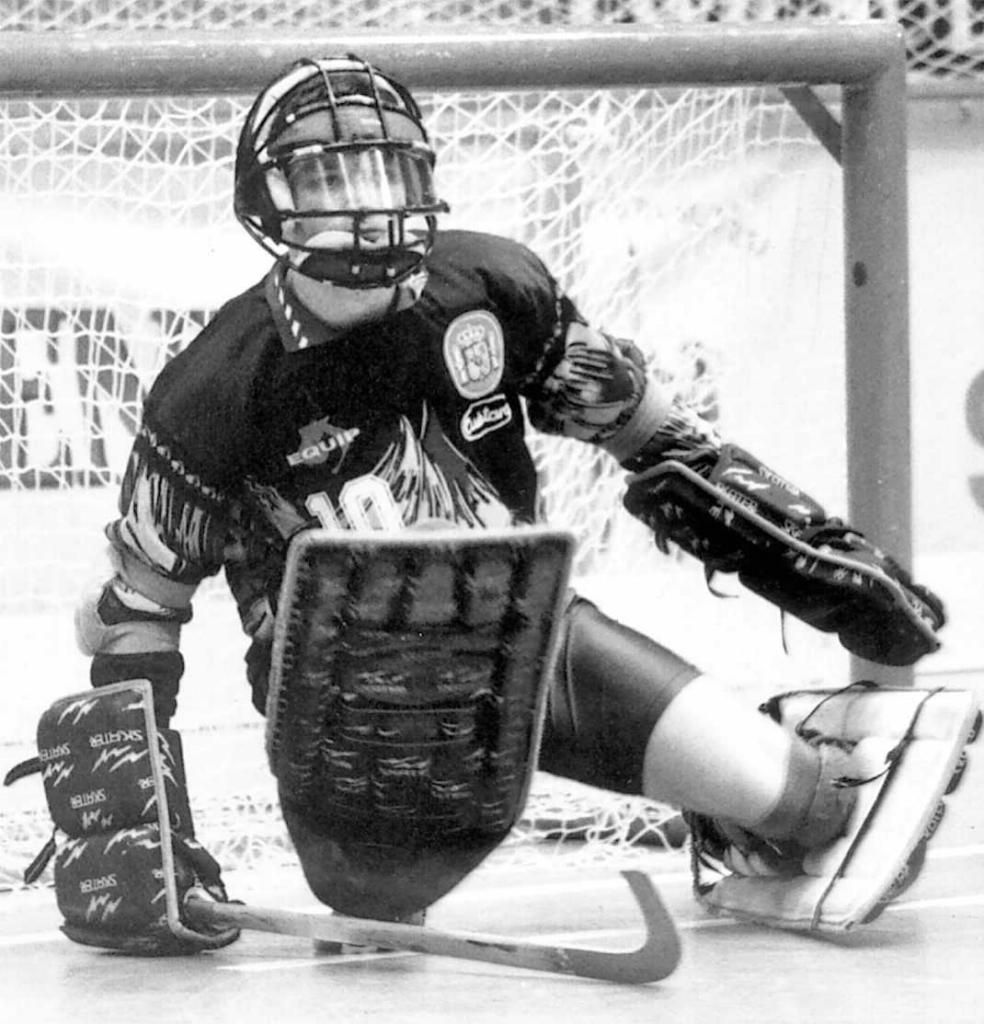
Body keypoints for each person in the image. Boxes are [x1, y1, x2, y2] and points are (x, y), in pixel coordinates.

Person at [32, 54, 970, 954]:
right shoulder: (208, 392)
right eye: (327, 176)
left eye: (383, 168)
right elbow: (137, 621)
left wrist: (809, 555)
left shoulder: (493, 288)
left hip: (533, 638)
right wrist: (144, 835)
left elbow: (652, 435)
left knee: (816, 809)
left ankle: (729, 815)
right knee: (378, 908)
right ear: (267, 199)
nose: (364, 200)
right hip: (345, 710)